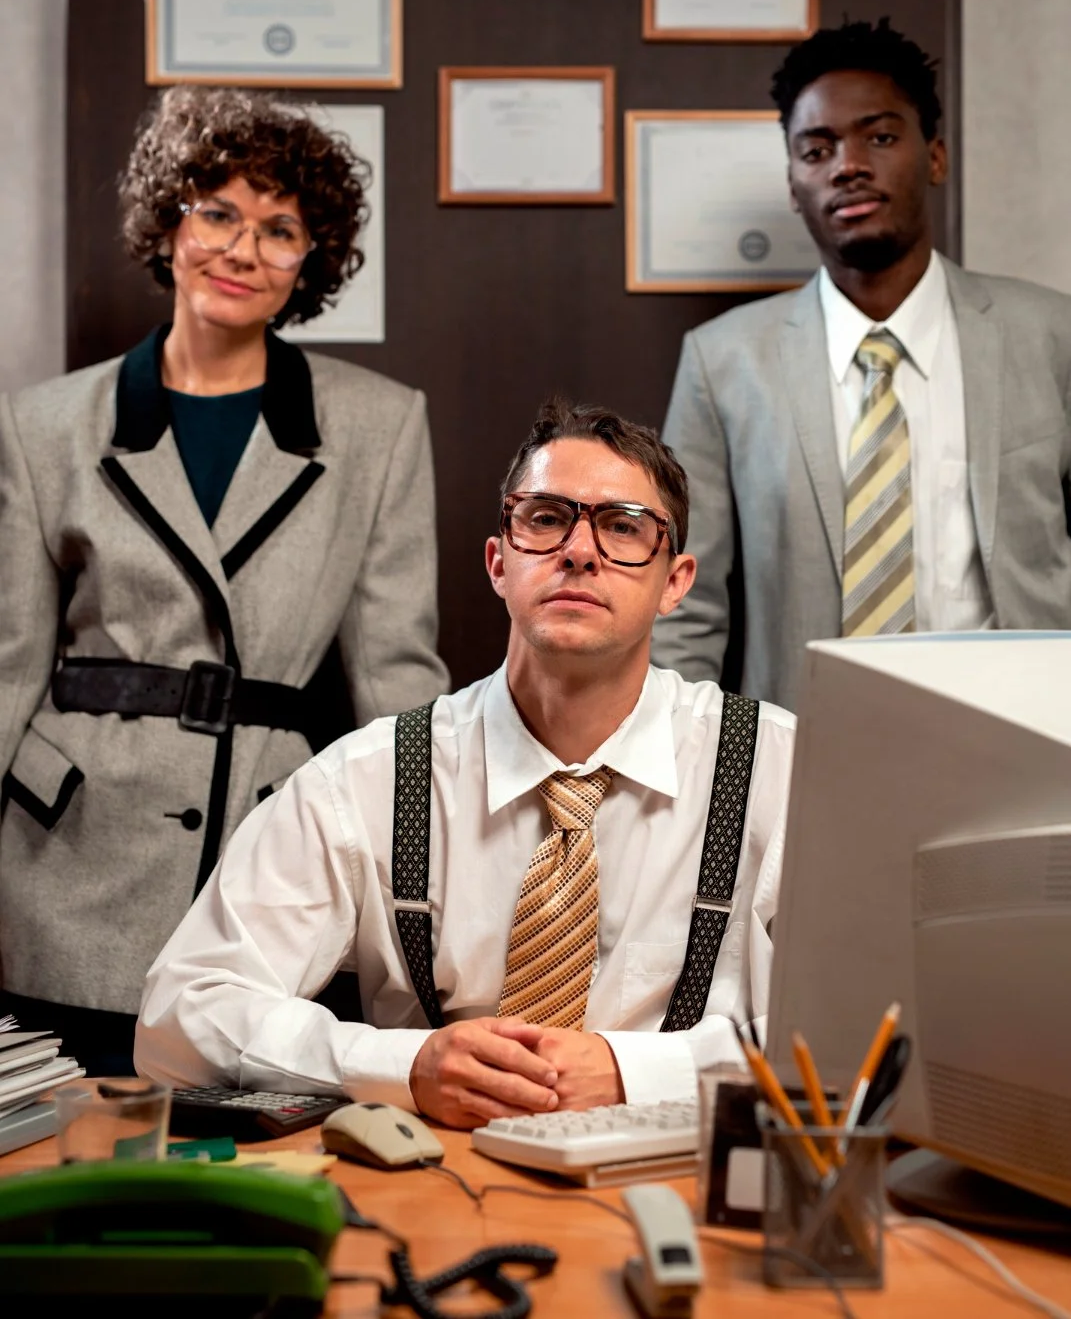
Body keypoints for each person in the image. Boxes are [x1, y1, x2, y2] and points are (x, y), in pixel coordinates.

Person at [135, 402, 792, 1126]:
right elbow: (177, 1018)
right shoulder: (366, 780)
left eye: (623, 526)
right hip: (433, 1184)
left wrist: (630, 1070)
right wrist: (399, 1065)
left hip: (680, 1185)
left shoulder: (783, 775)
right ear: (497, 563)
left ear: (675, 582)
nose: (578, 550)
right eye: (544, 518)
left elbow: (869, 1031)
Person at [0, 87, 449, 1073]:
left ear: (309, 265)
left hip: (269, 850)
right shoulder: (41, 427)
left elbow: (395, 677)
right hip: (65, 852)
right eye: (218, 212)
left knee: (240, 1159)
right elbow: (9, 668)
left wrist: (434, 880)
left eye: (280, 229)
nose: (243, 250)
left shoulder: (379, 426)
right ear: (168, 221)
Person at [651, 18, 1071, 712]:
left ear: (934, 156)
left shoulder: (1051, 335)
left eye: (878, 137)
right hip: (804, 754)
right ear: (793, 184)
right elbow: (684, 608)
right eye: (816, 149)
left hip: (1026, 746)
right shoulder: (722, 362)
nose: (847, 164)